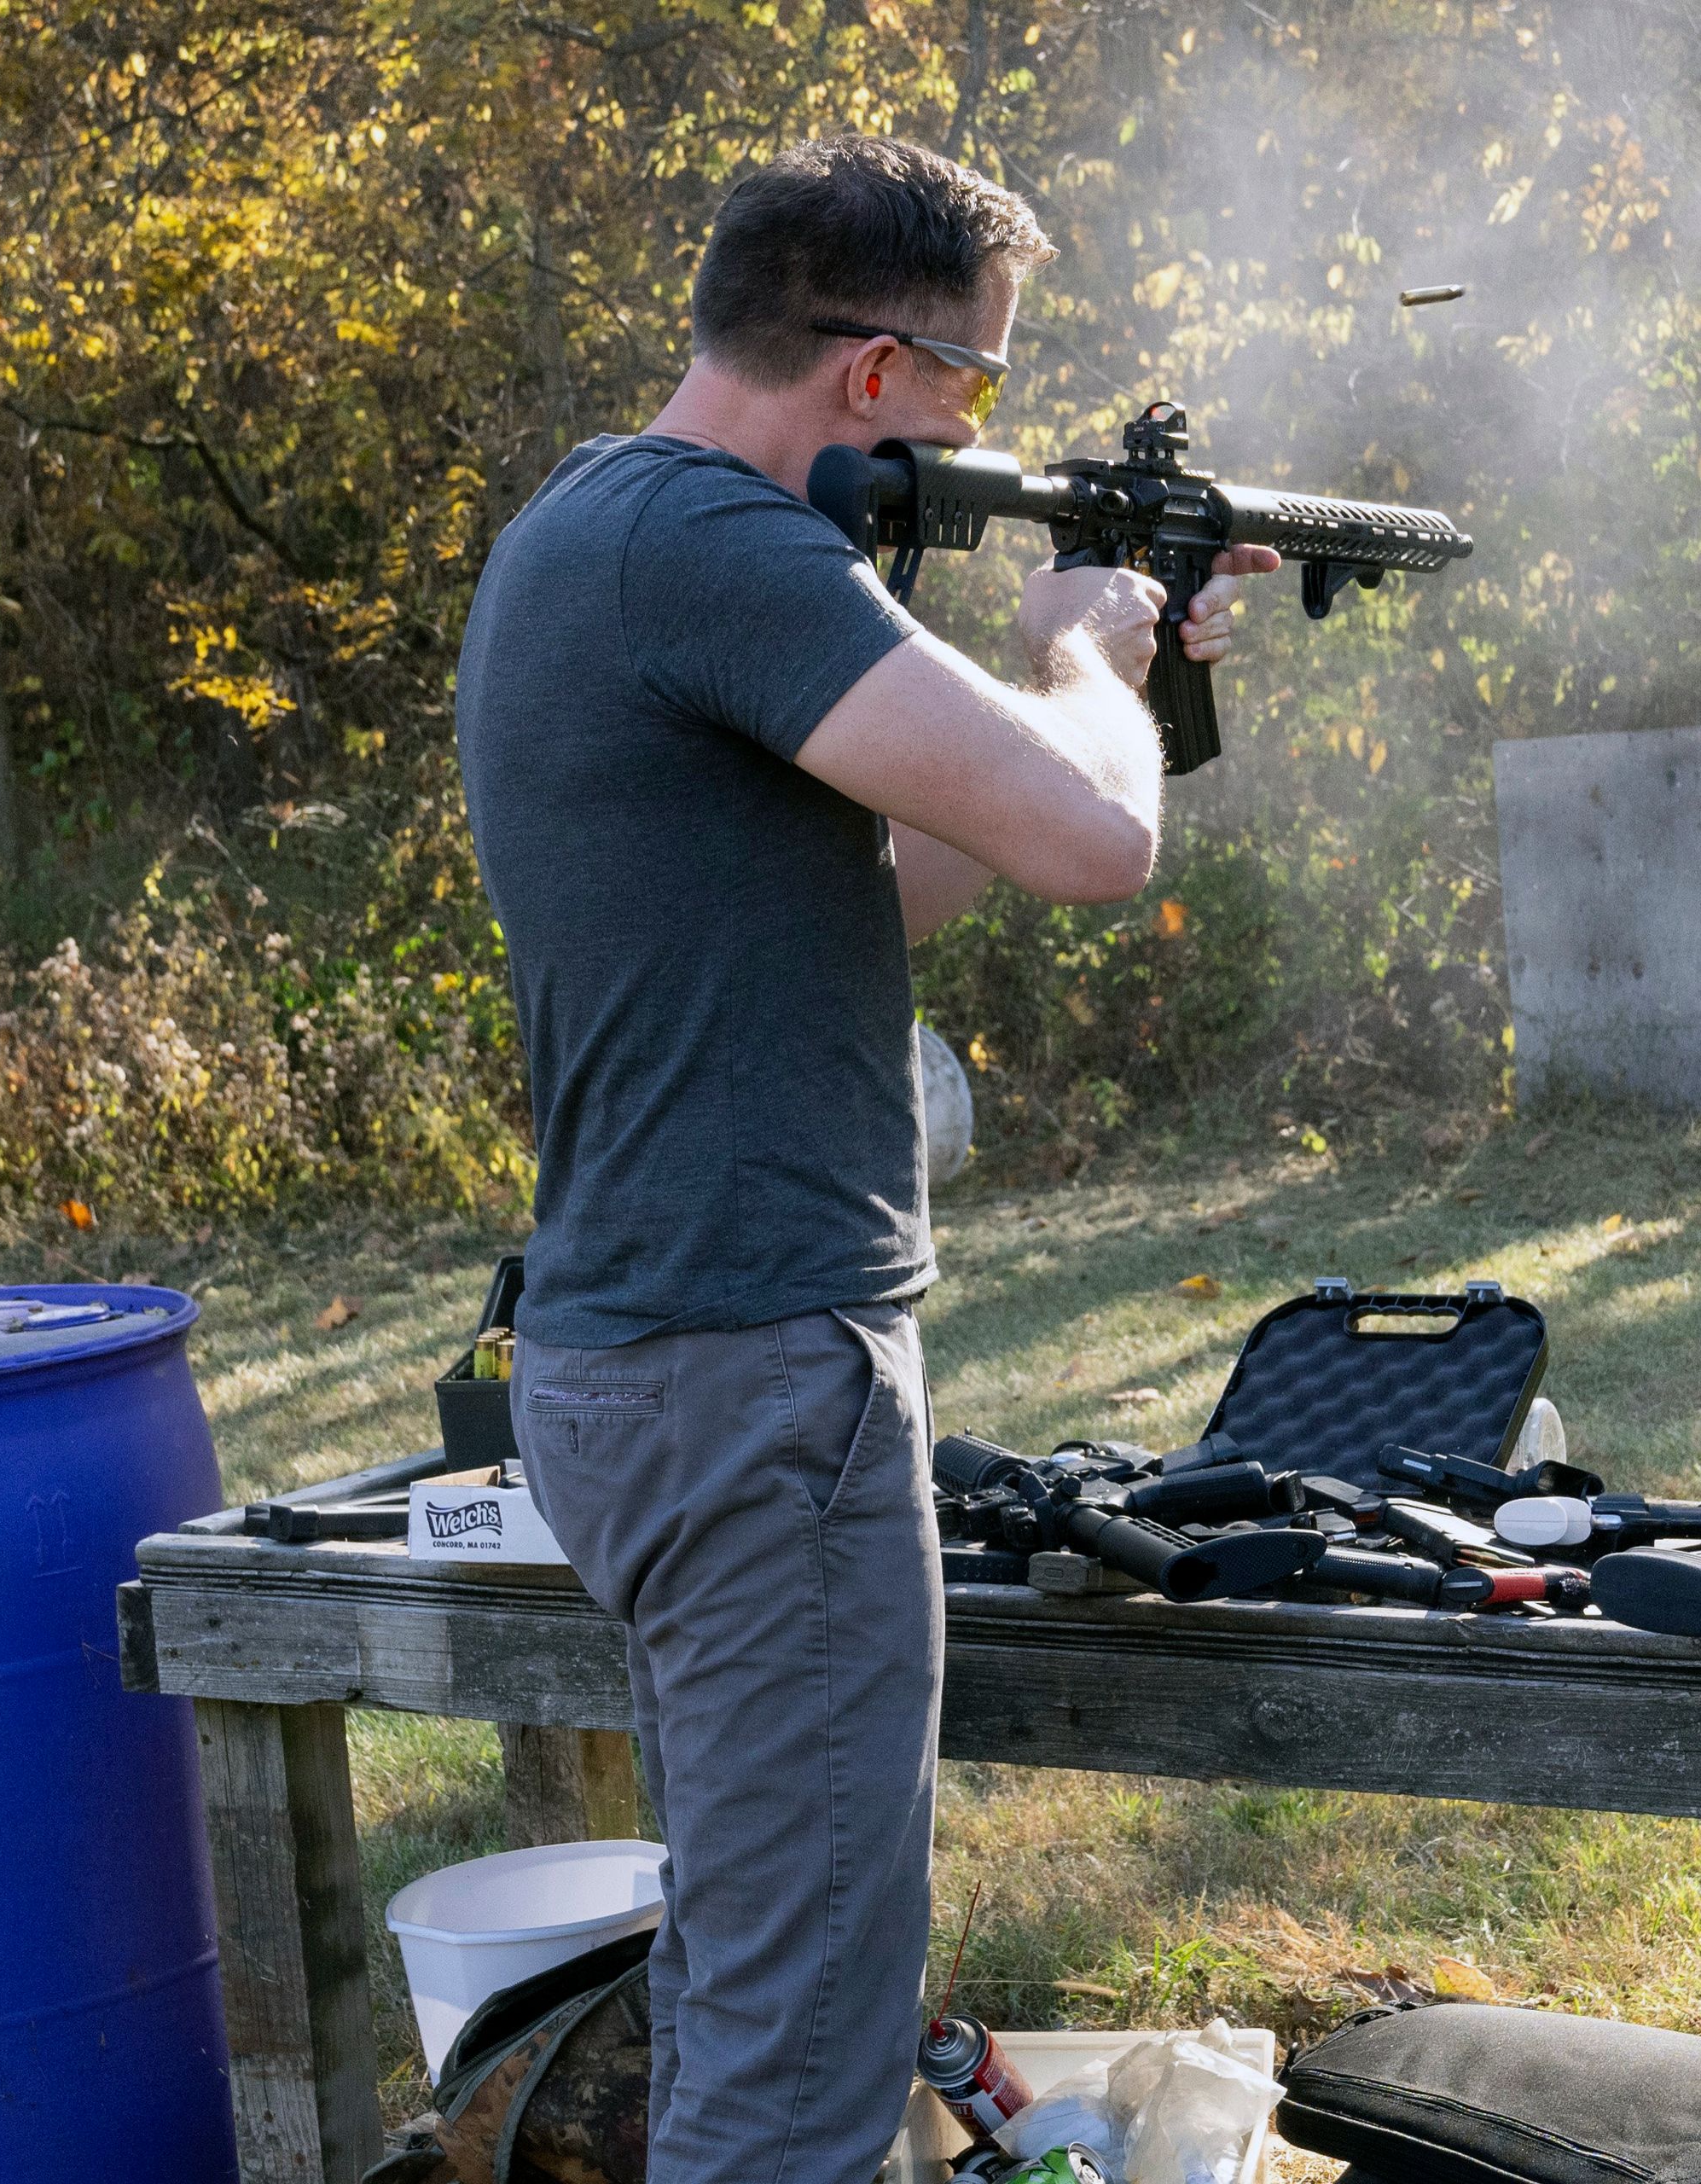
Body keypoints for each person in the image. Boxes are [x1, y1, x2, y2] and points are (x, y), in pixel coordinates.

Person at [455, 135, 1278, 2184]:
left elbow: (889, 882)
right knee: (803, 2044)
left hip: (647, 1359)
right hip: (753, 1375)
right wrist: (1081, 652)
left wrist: (1123, 684)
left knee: (762, 1966)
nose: (980, 426)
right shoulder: (732, 552)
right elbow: (1095, 845)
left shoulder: (588, 528)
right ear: (871, 371)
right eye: (975, 385)